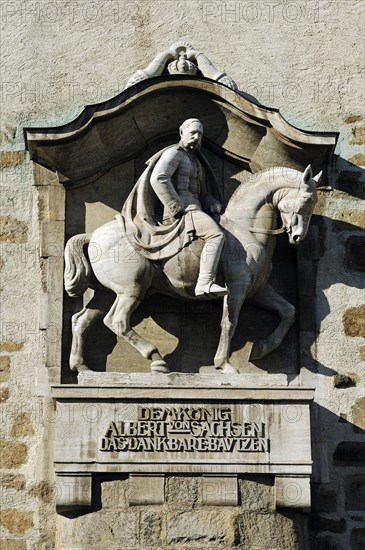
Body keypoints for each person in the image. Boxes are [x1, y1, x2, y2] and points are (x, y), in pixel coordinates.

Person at [149, 118, 228, 297]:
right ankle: (204, 283)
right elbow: (159, 178)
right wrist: (176, 207)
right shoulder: (174, 153)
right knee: (216, 235)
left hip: (196, 208)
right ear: (181, 133)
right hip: (185, 210)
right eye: (193, 133)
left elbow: (202, 192)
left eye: (199, 134)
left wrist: (211, 202)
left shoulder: (197, 161)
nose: (196, 137)